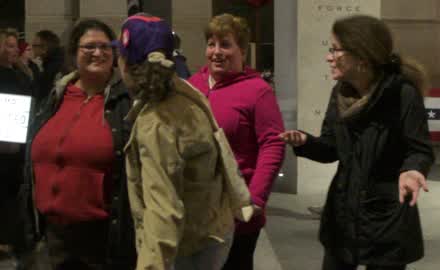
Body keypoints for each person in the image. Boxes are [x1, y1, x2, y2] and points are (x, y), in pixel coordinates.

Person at [279, 15, 435, 270]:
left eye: (335, 50)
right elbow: (331, 148)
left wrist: (413, 169)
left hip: (386, 216)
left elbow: (420, 148)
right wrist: (305, 142)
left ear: (362, 55)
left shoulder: (402, 94)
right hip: (343, 215)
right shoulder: (340, 92)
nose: (329, 57)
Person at [114, 13, 249, 270]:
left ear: (128, 64)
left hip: (187, 248)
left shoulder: (156, 122)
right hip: (211, 232)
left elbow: (163, 212)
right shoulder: (186, 96)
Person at [21, 19, 136, 270]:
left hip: (101, 242)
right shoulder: (56, 97)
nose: (98, 52)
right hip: (50, 238)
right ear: (74, 53)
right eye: (89, 47)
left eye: (106, 47)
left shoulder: (127, 102)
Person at [188, 13, 286, 270]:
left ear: (242, 50)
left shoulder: (257, 91)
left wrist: (254, 199)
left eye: (225, 44)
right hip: (196, 209)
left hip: (236, 212)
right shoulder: (191, 85)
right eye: (211, 44)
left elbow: (272, 146)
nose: (216, 52)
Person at [0, 28, 33, 266]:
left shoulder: (22, 72)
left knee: (13, 190)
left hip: (18, 142)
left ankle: (10, 237)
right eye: (9, 45)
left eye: (15, 45)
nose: (14, 50)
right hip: (2, 142)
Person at [31, 30, 64, 104]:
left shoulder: (52, 68)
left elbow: (41, 94)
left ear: (44, 48)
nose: (32, 48)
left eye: (34, 46)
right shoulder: (57, 60)